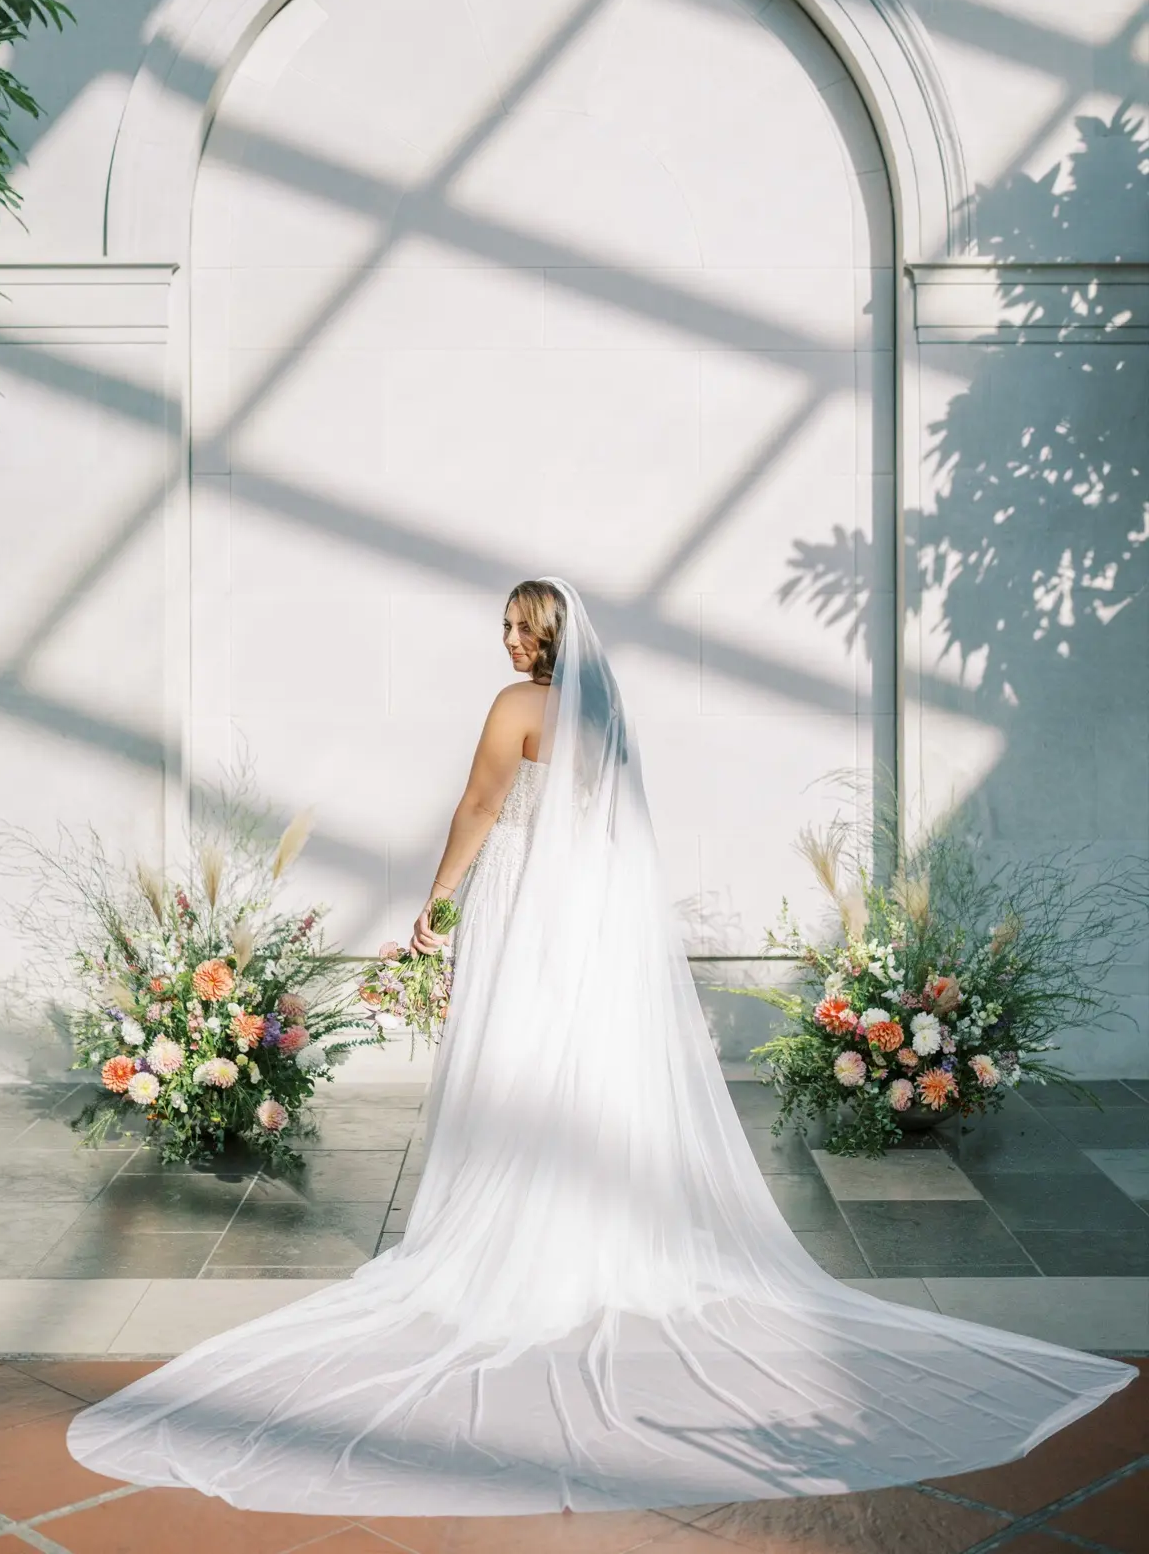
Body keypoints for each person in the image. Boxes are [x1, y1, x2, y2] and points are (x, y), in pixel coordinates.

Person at [68, 576, 1135, 1516]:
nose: (505, 642)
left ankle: (519, 1229)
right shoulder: (609, 718)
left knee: (518, 1066)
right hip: (598, 924)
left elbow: (481, 806)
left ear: (540, 637)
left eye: (514, 627)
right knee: (588, 1072)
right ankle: (599, 1221)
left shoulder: (516, 709)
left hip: (531, 912)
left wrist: (434, 905)